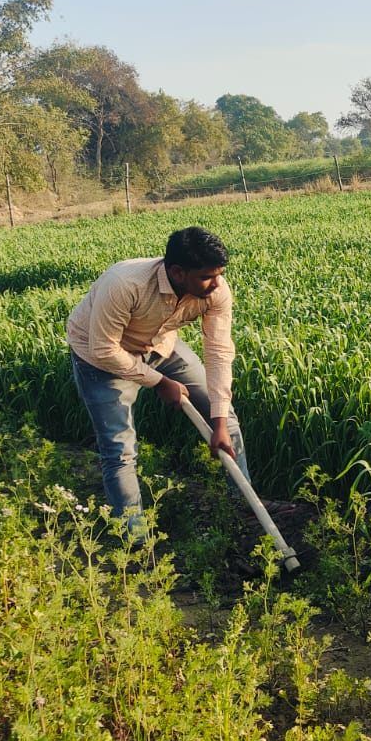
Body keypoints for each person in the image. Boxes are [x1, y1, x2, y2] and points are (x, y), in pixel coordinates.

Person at [67, 226, 248, 540]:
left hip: (159, 345)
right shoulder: (125, 283)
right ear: (178, 272)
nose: (217, 283)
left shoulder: (216, 290)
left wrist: (217, 419)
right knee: (119, 448)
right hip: (100, 357)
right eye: (207, 276)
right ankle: (134, 538)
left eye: (219, 274)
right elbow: (104, 349)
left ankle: (245, 507)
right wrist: (159, 382)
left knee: (226, 420)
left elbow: (218, 350)